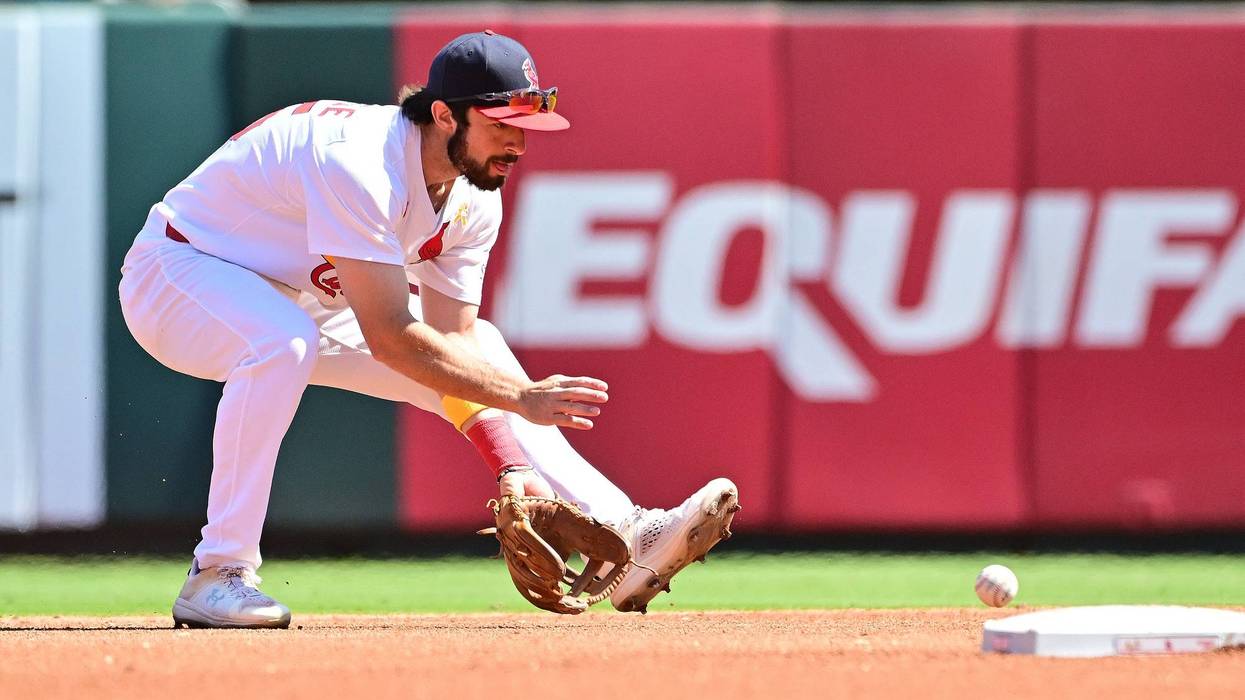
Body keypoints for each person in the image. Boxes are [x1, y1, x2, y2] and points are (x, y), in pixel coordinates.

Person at [118, 30, 739, 629]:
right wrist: (520, 400)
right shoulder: (359, 163)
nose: (517, 144)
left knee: (482, 349)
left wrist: (511, 463)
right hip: (178, 273)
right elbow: (392, 338)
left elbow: (451, 342)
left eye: (525, 127)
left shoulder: (475, 196)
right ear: (445, 115)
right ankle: (217, 573)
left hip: (298, 292)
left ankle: (632, 537)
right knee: (283, 342)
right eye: (502, 124)